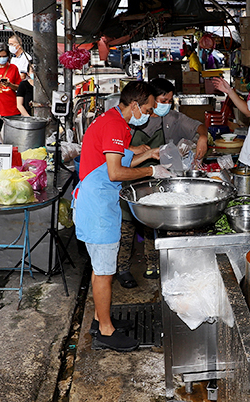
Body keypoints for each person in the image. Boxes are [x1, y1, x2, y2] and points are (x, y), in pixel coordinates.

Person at [73, 81, 172, 352]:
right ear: (135, 105)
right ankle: (105, 331)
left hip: (98, 203)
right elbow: (116, 172)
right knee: (105, 272)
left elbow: (115, 160)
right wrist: (153, 172)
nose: (151, 114)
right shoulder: (116, 125)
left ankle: (99, 319)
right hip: (97, 208)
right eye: (149, 109)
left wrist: (150, 154)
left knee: (101, 269)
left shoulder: (113, 119)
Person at [117, 77, 209, 285]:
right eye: (163, 100)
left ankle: (153, 265)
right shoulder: (133, 118)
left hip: (154, 176)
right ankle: (123, 269)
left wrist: (202, 138)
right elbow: (115, 151)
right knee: (127, 225)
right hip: (129, 175)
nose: (167, 105)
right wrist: (137, 151)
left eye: (170, 100)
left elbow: (198, 127)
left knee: (152, 223)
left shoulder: (171, 118)